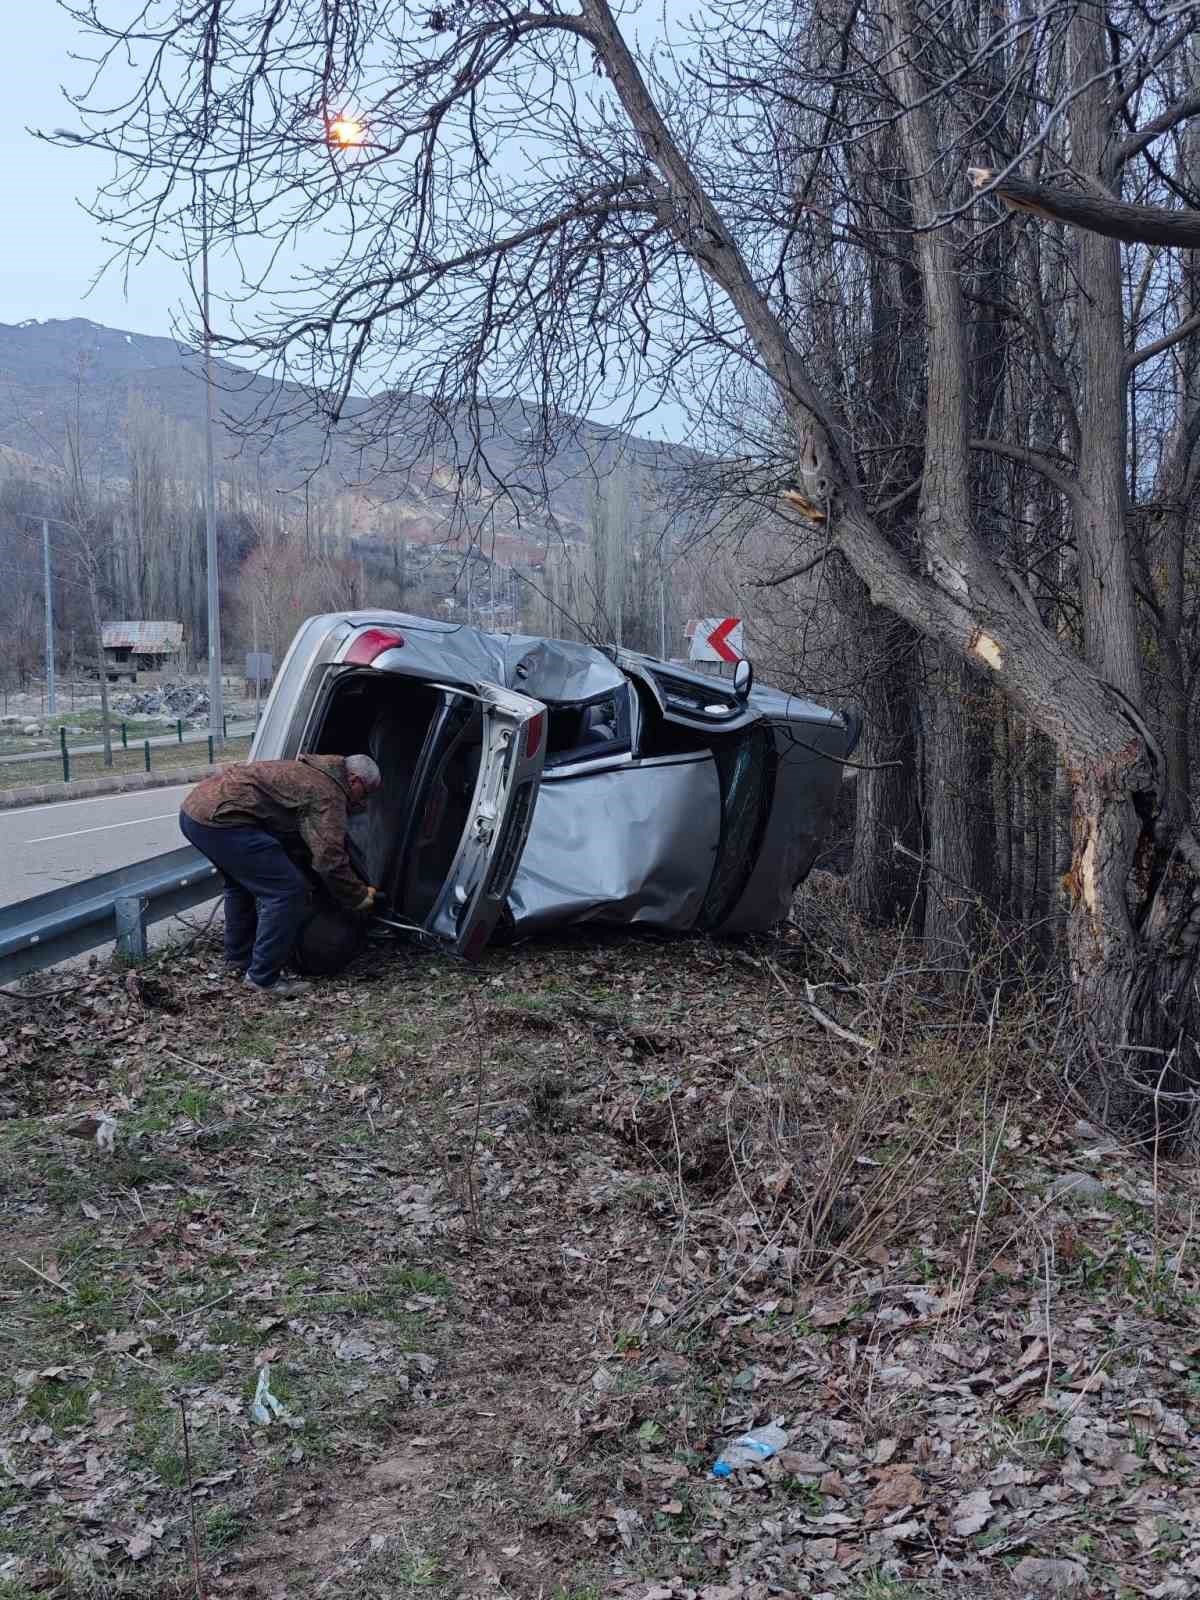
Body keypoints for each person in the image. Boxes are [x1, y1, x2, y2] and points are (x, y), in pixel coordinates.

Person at [179, 753, 383, 998]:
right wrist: (357, 896)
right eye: (366, 793)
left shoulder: (311, 771)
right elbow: (329, 859)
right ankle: (263, 978)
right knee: (287, 894)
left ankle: (239, 958)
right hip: (224, 822)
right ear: (354, 780)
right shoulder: (328, 792)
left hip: (196, 813)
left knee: (240, 886)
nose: (363, 801)